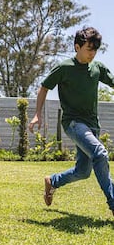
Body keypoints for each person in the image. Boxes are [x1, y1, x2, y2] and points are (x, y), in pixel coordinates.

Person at [29, 27, 114, 216]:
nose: (92, 54)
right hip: (73, 123)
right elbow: (43, 87)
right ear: (77, 47)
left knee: (83, 171)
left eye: (95, 50)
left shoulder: (97, 68)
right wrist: (37, 114)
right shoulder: (65, 68)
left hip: (92, 124)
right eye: (88, 49)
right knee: (100, 153)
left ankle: (53, 181)